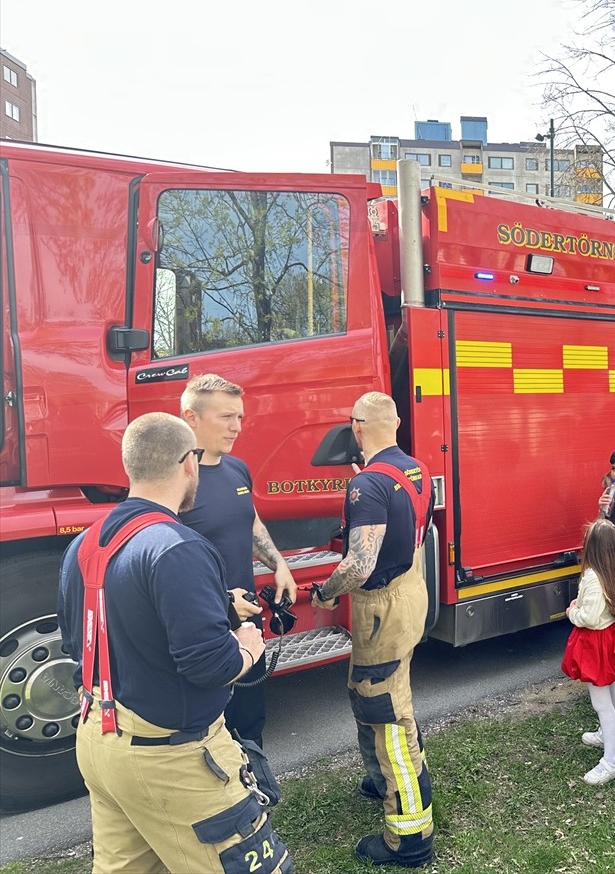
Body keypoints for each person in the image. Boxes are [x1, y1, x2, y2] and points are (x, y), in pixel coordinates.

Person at [57, 413, 289, 873]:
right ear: (189, 464)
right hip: (172, 759)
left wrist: (213, 608)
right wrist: (246, 645)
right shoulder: (179, 545)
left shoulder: (85, 544)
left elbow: (84, 640)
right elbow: (211, 666)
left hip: (100, 742)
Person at [310, 392, 434, 867]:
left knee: (386, 712)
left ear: (356, 427)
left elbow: (360, 564)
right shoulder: (415, 469)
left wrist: (325, 591)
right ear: (397, 424)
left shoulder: (367, 485)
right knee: (374, 693)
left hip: (381, 605)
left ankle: (409, 835)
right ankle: (383, 780)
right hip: (409, 592)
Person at [178, 374, 296, 749]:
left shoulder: (237, 468)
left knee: (249, 722)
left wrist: (279, 563)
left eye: (240, 417)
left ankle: (257, 797)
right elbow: (164, 560)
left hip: (248, 623)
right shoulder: (173, 480)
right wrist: (220, 598)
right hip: (205, 626)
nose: (237, 427)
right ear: (190, 416)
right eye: (226, 417)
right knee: (209, 734)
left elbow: (250, 522)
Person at [562, 518, 615, 786]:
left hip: (595, 642)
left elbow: (590, 617)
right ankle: (610, 735)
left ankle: (611, 760)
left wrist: (573, 612)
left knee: (600, 700)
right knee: (611, 689)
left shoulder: (593, 576)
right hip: (609, 637)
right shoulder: (612, 569)